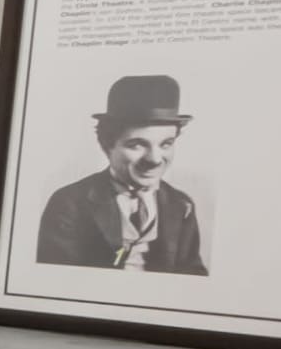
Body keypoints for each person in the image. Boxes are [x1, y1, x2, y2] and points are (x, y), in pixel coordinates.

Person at [36, 73, 207, 274]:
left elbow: (192, 275)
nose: (154, 159)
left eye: (166, 144)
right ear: (107, 145)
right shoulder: (70, 202)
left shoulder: (181, 204)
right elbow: (54, 279)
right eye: (137, 145)